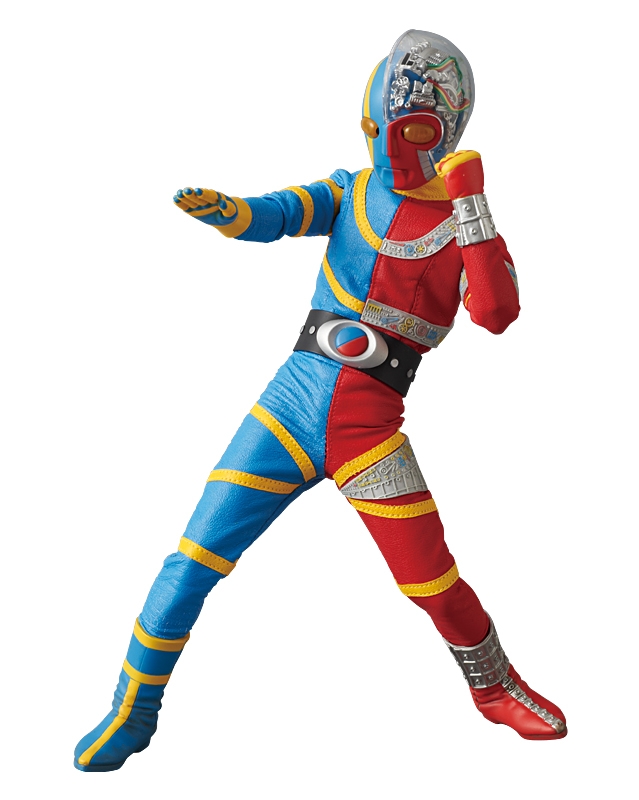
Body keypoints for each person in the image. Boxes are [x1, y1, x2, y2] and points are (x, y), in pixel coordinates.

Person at [74, 29, 566, 773]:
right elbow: (272, 216)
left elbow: (497, 313)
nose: (385, 141)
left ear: (440, 130)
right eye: (377, 122)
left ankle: (495, 686)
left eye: (404, 128)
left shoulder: (462, 224)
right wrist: (228, 211)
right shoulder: (350, 190)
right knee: (193, 557)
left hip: (368, 428)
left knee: (431, 580)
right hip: (289, 404)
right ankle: (131, 708)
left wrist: (471, 201)